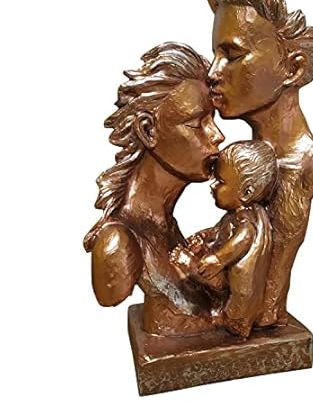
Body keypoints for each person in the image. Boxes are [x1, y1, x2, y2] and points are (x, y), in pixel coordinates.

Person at [207, 0, 313, 326]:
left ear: (292, 69)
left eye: (233, 55)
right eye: (215, 54)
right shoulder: (247, 160)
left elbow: (265, 306)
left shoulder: (299, 172)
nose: (213, 72)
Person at [83, 42, 225, 335]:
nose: (218, 135)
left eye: (212, 119)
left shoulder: (166, 227)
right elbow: (110, 292)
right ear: (148, 130)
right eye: (197, 123)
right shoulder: (120, 244)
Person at [170, 140, 277, 337]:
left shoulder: (247, 220)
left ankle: (191, 266)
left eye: (220, 181)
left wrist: (219, 259)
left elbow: (243, 238)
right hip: (232, 290)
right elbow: (220, 230)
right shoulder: (238, 216)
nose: (213, 186)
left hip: (236, 298)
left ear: (246, 192)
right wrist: (204, 236)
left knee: (207, 270)